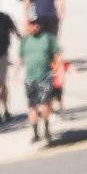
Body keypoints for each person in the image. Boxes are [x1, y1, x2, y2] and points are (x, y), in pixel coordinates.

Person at [21, 15, 60, 144]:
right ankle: (35, 133)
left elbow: (56, 56)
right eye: (31, 24)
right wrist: (16, 74)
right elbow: (20, 58)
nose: (33, 26)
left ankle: (47, 130)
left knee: (45, 105)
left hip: (45, 76)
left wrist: (58, 72)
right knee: (32, 106)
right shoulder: (25, 40)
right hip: (30, 78)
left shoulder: (48, 38)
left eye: (35, 23)